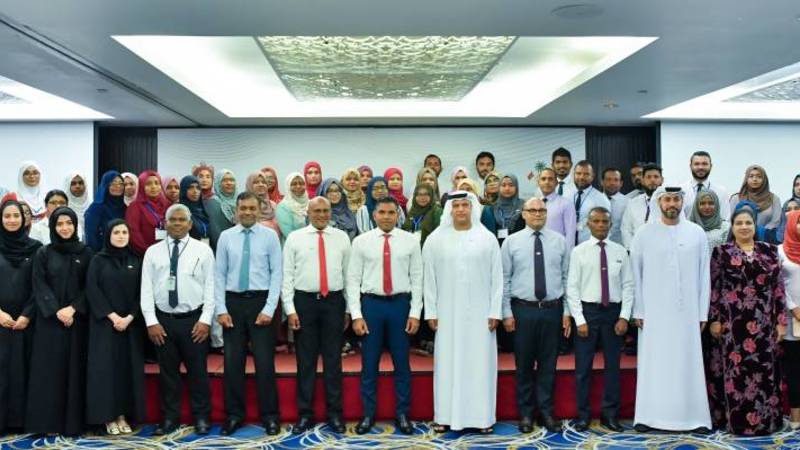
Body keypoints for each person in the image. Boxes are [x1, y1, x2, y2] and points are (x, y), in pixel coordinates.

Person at [630, 187, 711, 432]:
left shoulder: (696, 233)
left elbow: (704, 275)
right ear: (659, 203)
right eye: (667, 199)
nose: (672, 204)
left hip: (688, 313)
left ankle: (694, 418)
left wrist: (702, 312)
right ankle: (648, 417)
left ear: (682, 202)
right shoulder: (643, 234)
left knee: (688, 361)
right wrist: (638, 310)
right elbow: (635, 274)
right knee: (655, 363)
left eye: (676, 199)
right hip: (653, 312)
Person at [424, 192, 503, 434]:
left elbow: (497, 278)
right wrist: (431, 311)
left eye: (464, 205)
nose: (460, 210)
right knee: (447, 364)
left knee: (480, 364)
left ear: (472, 208)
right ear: (450, 209)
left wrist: (495, 311)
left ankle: (482, 418)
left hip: (481, 315)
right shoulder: (435, 239)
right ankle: (444, 416)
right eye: (456, 205)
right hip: (447, 314)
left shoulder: (487, 238)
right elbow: (429, 279)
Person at [706, 207, 786, 435]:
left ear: (755, 226)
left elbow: (778, 288)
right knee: (736, 372)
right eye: (739, 223)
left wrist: (781, 321)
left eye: (748, 223)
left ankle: (766, 422)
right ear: (732, 227)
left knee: (763, 370)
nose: (744, 227)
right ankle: (736, 423)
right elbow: (714, 287)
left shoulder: (769, 251)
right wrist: (714, 319)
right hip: (733, 324)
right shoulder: (721, 252)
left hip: (764, 324)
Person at [348, 196, 423, 435]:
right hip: (371, 306)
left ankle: (403, 414)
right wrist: (356, 315)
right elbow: (352, 280)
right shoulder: (361, 242)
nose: (387, 217)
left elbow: (417, 279)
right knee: (369, 364)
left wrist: (415, 313)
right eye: (382, 212)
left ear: (398, 215)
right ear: (374, 215)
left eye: (391, 212)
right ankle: (368, 415)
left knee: (402, 363)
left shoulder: (410, 241)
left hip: (400, 306)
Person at [140, 204, 215, 436]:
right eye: (173, 219)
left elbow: (211, 287)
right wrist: (151, 322)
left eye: (182, 220)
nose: (177, 223)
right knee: (167, 374)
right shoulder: (152, 252)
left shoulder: (203, 250)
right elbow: (146, 289)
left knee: (198, 372)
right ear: (165, 223)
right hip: (163, 322)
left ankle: (201, 417)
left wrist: (205, 320)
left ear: (190, 224)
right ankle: (169, 419)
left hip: (194, 321)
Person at [215, 193, 283, 436]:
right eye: (243, 208)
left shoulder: (270, 236)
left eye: (252, 208)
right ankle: (234, 415)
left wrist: (269, 308)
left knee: (265, 363)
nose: (247, 212)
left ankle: (270, 416)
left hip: (260, 303)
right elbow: (219, 274)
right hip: (233, 303)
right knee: (233, 363)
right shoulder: (226, 237)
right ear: (237, 210)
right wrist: (221, 309)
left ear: (258, 209)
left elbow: (277, 273)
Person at [501, 197, 570, 433]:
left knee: (549, 365)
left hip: (552, 310)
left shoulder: (560, 241)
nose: (538, 214)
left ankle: (547, 413)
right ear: (524, 214)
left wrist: (567, 312)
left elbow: (566, 278)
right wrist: (506, 312)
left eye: (542, 210)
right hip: (523, 311)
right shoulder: (511, 242)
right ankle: (526, 414)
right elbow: (505, 279)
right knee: (524, 365)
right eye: (533, 210)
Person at [282, 197, 351, 434]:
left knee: (333, 361)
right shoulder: (295, 238)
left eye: (325, 210)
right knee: (306, 362)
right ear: (308, 213)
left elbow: (348, 275)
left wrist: (348, 309)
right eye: (317, 211)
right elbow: (287, 277)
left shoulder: (342, 238)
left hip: (333, 302)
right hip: (304, 303)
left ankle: (335, 414)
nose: (321, 215)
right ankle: (305, 415)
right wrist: (290, 310)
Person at [26, 207, 93, 435]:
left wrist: (73, 309)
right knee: (48, 372)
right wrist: (57, 311)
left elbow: (90, 286)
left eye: (69, 223)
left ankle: (72, 424)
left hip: (76, 322)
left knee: (74, 372)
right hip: (49, 323)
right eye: (60, 224)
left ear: (75, 225)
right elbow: (39, 284)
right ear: (53, 227)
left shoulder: (86, 253)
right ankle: (46, 424)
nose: (65, 228)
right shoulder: (44, 253)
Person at [565, 207, 633, 432]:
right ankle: (583, 416)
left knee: (613, 367)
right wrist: (579, 319)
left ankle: (610, 415)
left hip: (613, 314)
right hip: (588, 313)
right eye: (596, 221)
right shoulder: (579, 251)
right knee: (583, 368)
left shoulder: (620, 251)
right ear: (588, 224)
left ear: (611, 225)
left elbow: (628, 285)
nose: (601, 225)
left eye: (605, 221)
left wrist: (624, 317)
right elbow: (572, 288)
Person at [85, 219, 144, 435]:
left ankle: (122, 415)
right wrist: (112, 317)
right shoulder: (98, 260)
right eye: (116, 232)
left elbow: (142, 292)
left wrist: (129, 317)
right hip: (104, 326)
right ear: (108, 235)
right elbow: (92, 290)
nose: (120, 236)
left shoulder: (136, 260)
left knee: (126, 371)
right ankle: (108, 417)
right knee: (106, 372)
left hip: (130, 327)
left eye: (124, 232)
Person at [0, 200, 42, 434]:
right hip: (0, 320)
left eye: (16, 216)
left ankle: (21, 421)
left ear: (24, 219)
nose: (12, 220)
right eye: (7, 216)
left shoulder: (36, 249)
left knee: (23, 369)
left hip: (27, 322)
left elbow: (40, 286)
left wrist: (27, 315)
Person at [780, 210, 800, 429]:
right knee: (795, 368)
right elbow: (777, 283)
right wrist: (793, 307)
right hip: (791, 318)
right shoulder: (779, 251)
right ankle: (796, 416)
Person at [125, 171, 170, 256]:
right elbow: (134, 233)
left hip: (168, 253)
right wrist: (149, 252)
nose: (153, 187)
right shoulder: (135, 207)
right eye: (148, 184)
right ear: (142, 186)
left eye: (157, 183)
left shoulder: (167, 205)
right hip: (145, 254)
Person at [729, 165, 782, 236]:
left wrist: (759, 233)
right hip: (741, 237)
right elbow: (731, 221)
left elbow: (776, 221)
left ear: (764, 179)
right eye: (751, 176)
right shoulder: (736, 198)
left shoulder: (774, 199)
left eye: (759, 176)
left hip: (766, 238)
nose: (755, 179)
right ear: (746, 178)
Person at [621, 163, 664, 249]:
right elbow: (626, 229)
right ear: (643, 180)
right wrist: (632, 249)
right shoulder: (633, 203)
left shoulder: (669, 203)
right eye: (648, 177)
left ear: (662, 180)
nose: (652, 180)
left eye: (656, 177)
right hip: (637, 251)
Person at [570, 161, 611, 245]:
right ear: (573, 175)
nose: (581, 177)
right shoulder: (567, 195)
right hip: (568, 245)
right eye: (578, 173)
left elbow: (606, 227)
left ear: (592, 176)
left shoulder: (601, 199)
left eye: (586, 174)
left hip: (590, 247)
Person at [536, 168, 577, 252]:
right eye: (543, 179)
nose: (547, 182)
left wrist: (567, 256)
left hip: (557, 251)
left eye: (550, 179)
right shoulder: (534, 203)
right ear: (538, 182)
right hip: (536, 251)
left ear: (556, 183)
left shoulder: (566, 204)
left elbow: (570, 234)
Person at [681, 151, 730, 219]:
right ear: (690, 166)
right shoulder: (681, 191)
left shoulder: (721, 192)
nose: (700, 167)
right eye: (696, 164)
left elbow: (725, 219)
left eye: (704, 164)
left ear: (711, 166)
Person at [84, 171, 126, 252]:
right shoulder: (96, 208)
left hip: (122, 252)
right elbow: (91, 235)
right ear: (106, 185)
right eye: (113, 183)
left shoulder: (124, 207)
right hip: (102, 253)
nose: (118, 186)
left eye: (121, 184)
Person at [204, 169, 237, 250]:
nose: (229, 183)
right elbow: (215, 232)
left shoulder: (238, 202)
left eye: (232, 180)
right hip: (222, 249)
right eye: (224, 180)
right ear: (218, 183)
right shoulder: (213, 202)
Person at [246, 171, 282, 240]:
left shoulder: (273, 205)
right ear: (249, 185)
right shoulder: (245, 208)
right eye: (256, 182)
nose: (261, 185)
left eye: (263, 182)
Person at [276, 172, 309, 241]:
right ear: (288, 186)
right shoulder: (283, 207)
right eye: (294, 184)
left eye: (301, 183)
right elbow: (288, 233)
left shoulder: (311, 203)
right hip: (293, 244)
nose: (298, 186)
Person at [179, 175, 211, 244]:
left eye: (198, 188)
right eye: (190, 187)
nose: (195, 191)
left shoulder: (202, 209)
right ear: (184, 190)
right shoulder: (179, 211)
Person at [601, 168, 629, 245]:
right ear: (602, 182)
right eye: (608, 179)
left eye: (616, 180)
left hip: (620, 246)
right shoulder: (594, 200)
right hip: (597, 246)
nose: (612, 183)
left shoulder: (628, 203)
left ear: (621, 183)